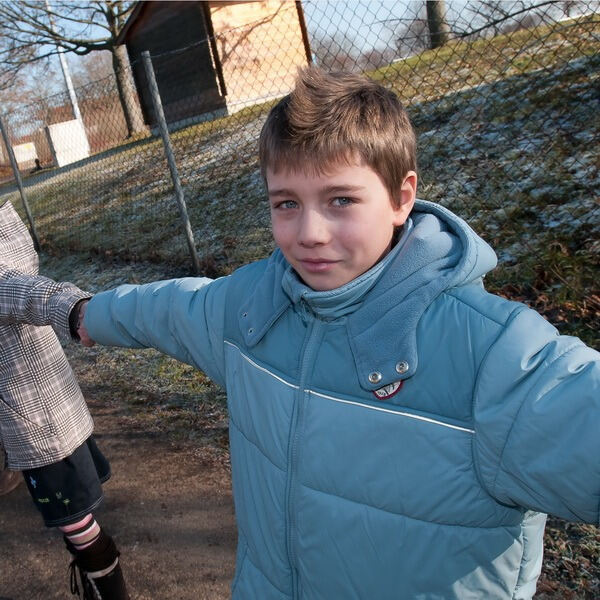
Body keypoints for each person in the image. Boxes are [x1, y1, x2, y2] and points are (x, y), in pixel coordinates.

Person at [5, 66, 600, 599]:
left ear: (401, 198)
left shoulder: (495, 359)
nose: (309, 232)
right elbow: (170, 309)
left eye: (340, 199)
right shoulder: (251, 308)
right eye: (285, 203)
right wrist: (83, 314)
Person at [0, 200, 129, 600]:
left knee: (76, 522)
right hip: (31, 412)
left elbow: (24, 292)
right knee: (71, 519)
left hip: (36, 418)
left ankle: (108, 587)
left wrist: (73, 309)